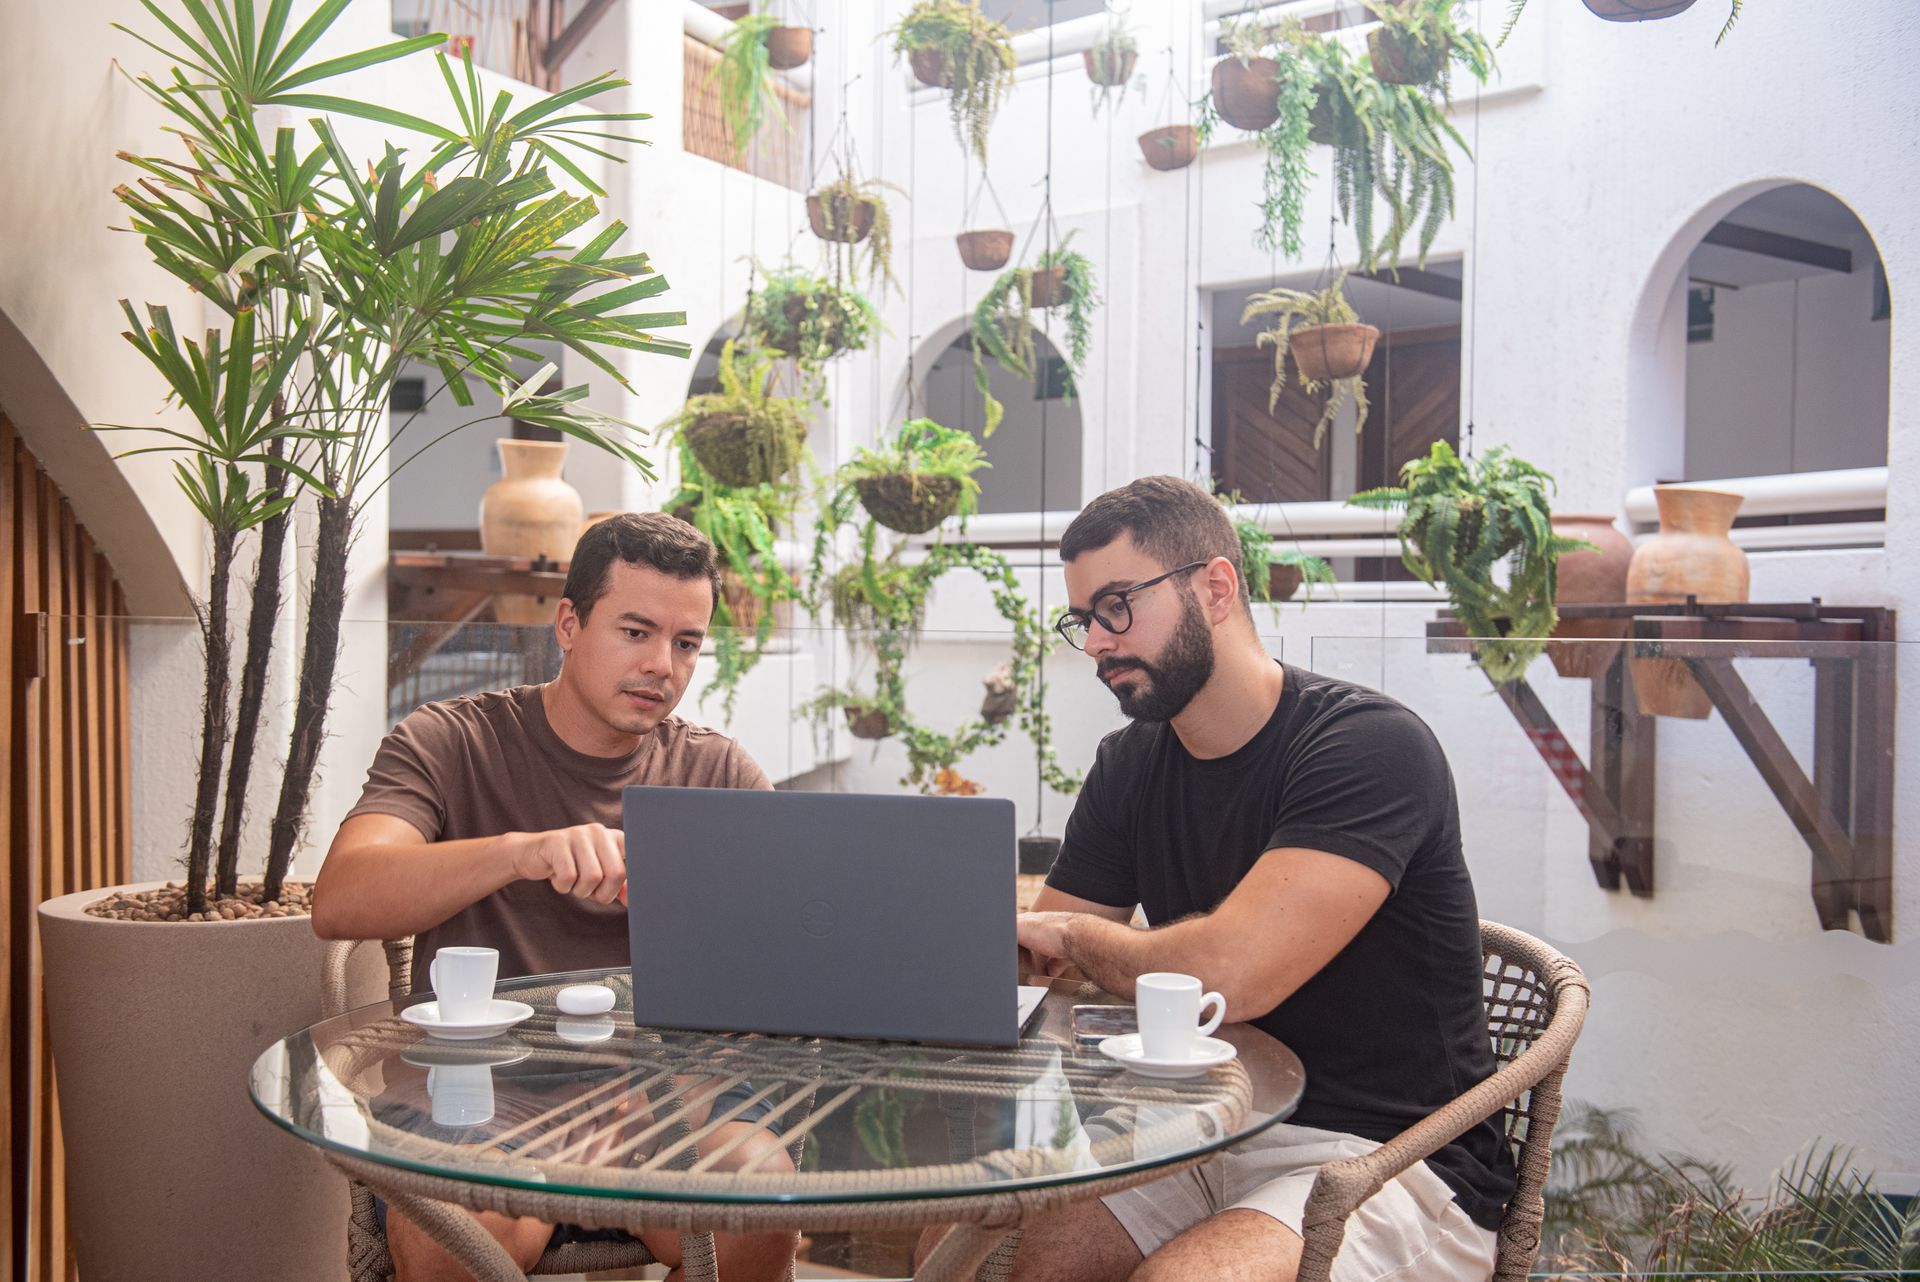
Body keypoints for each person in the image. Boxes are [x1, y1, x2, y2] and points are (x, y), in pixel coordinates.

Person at [1007, 476, 1514, 1282]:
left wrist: (1069, 934)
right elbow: (1047, 971)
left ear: (1215, 587)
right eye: (1083, 620)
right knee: (1000, 1254)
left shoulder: (1369, 748)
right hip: (1203, 1129)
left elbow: (1229, 979)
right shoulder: (1130, 764)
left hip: (1388, 1160)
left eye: (1117, 605)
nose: (1098, 641)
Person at [313, 512, 797, 1282]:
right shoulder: (451, 740)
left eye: (686, 643)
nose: (662, 667)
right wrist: (521, 852)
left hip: (671, 1100)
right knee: (450, 1239)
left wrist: (670, 1091)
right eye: (635, 632)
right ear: (569, 623)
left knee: (759, 1202)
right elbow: (340, 899)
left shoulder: (720, 773)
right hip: (482, 1094)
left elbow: (797, 945)